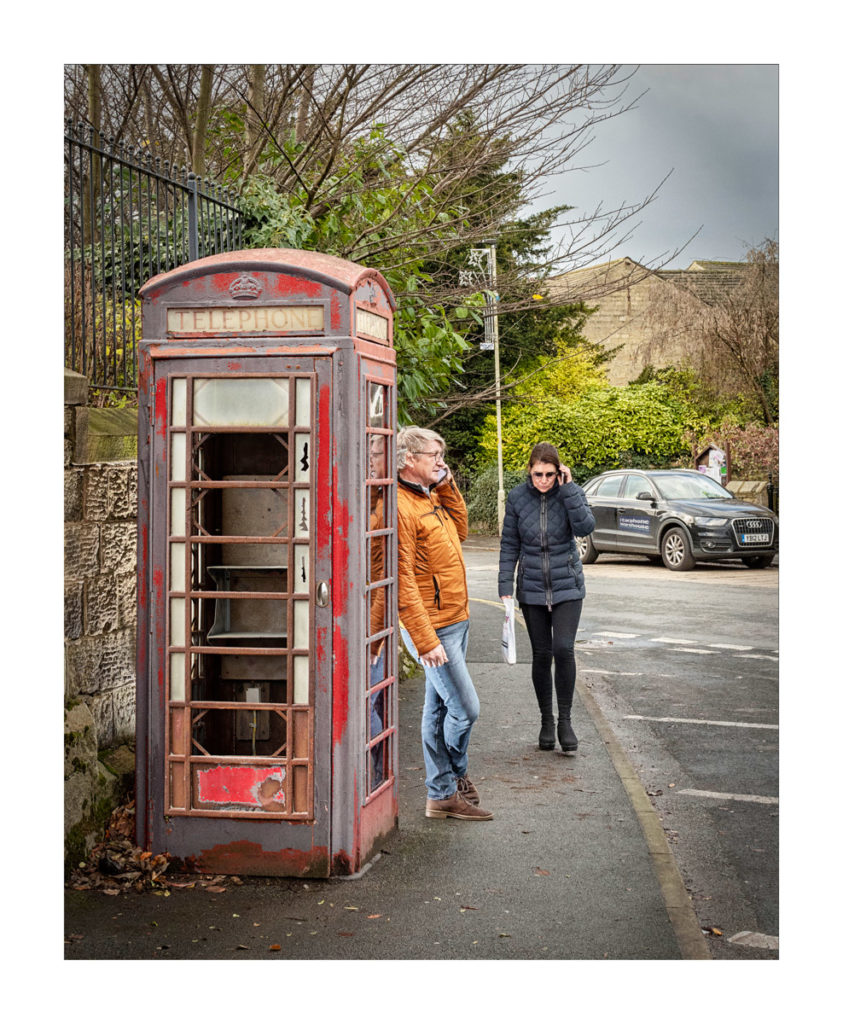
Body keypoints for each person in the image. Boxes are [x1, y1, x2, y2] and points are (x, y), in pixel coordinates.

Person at [395, 426, 493, 821]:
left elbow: (462, 530)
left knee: (437, 712)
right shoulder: (401, 507)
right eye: (433, 455)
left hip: (456, 619)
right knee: (466, 709)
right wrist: (424, 639)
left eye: (441, 454)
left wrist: (448, 485)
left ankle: (441, 796)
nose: (441, 460)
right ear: (408, 460)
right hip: (433, 629)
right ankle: (454, 775)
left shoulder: (430, 496)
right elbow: (402, 583)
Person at [498, 442, 595, 754]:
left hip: (568, 584)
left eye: (550, 474)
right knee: (542, 654)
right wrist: (505, 585)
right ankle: (546, 721)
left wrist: (568, 491)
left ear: (559, 472)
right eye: (538, 473)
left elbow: (585, 527)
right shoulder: (516, 497)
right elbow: (509, 543)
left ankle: (565, 721)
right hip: (532, 587)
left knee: (563, 649)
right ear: (529, 470)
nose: (543, 480)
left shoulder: (570, 493)